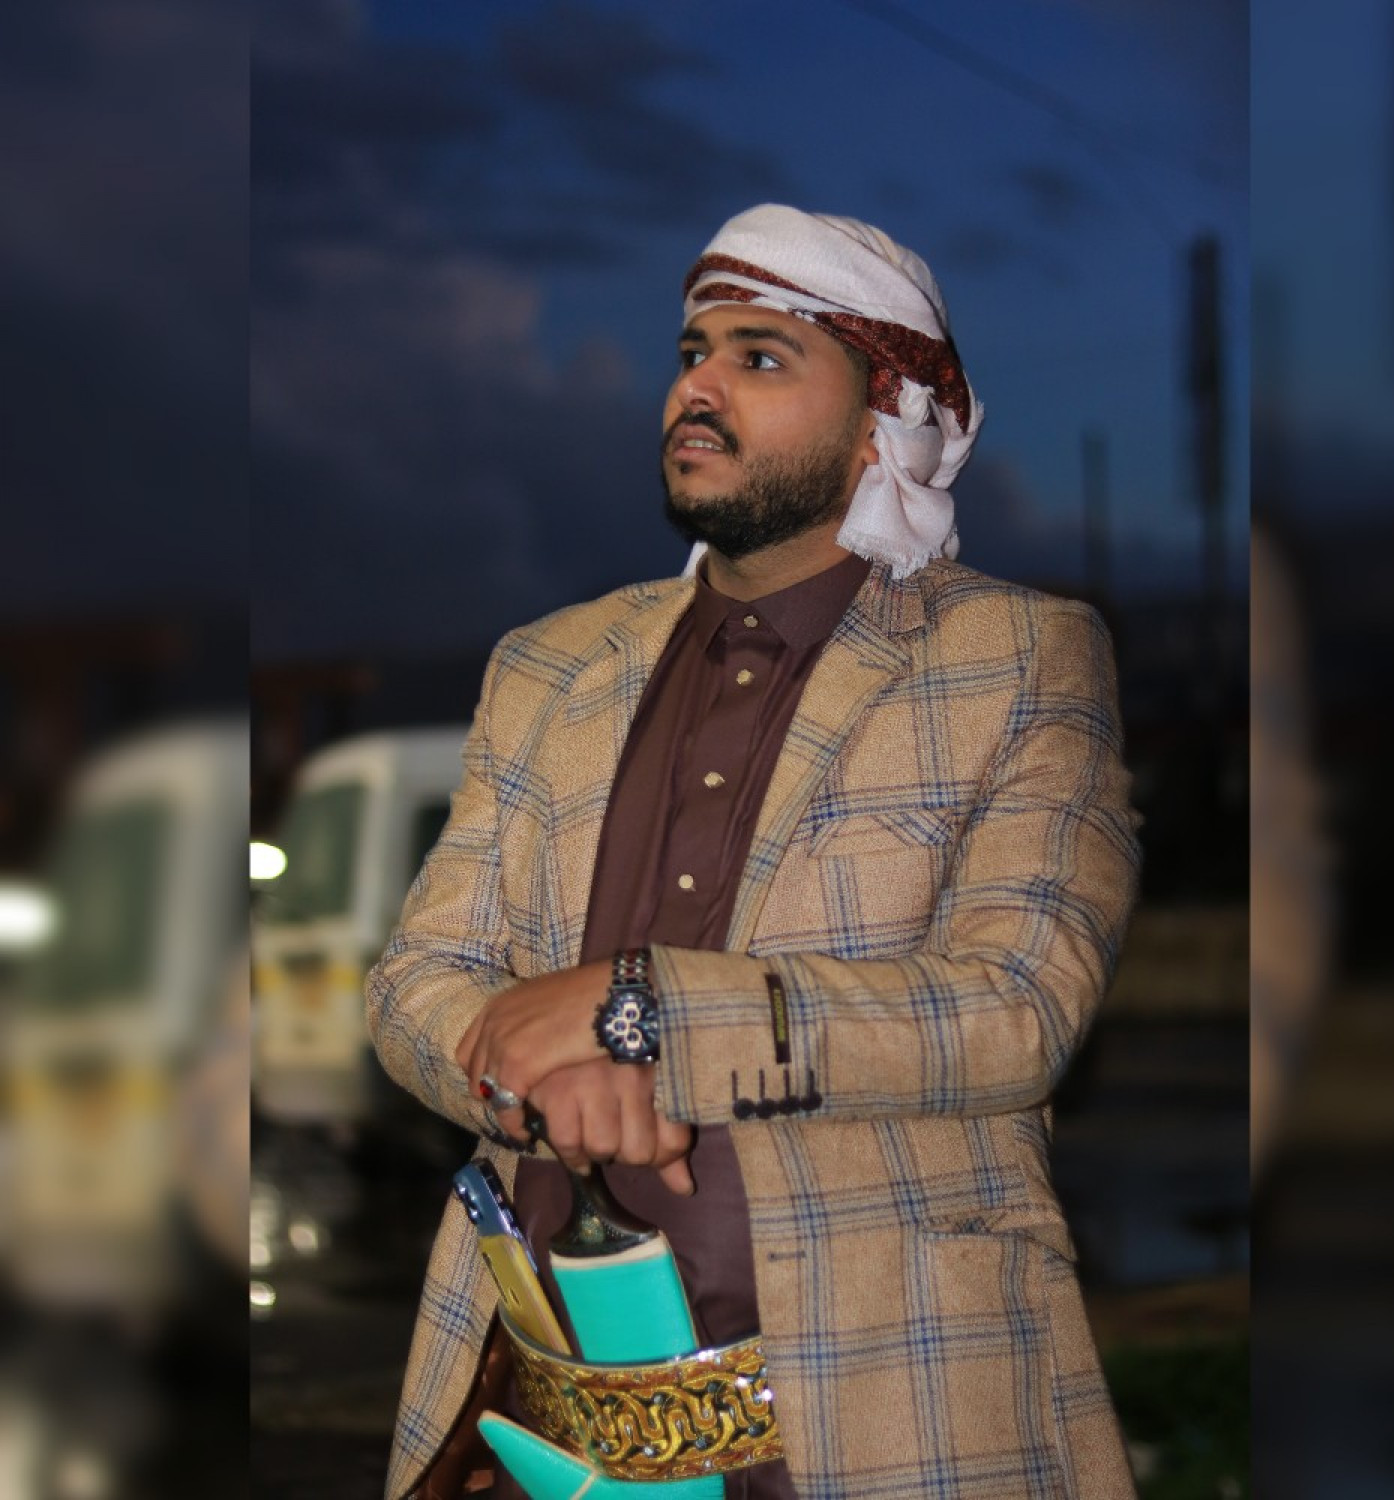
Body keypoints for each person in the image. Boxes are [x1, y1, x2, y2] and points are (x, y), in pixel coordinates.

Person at [367, 204, 1142, 1500]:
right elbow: (415, 980)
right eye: (691, 353)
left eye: (760, 357)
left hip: (883, 1427)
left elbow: (1017, 1008)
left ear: (885, 417)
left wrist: (639, 1012)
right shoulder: (548, 664)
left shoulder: (1018, 656)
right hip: (541, 1435)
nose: (698, 387)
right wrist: (534, 1079)